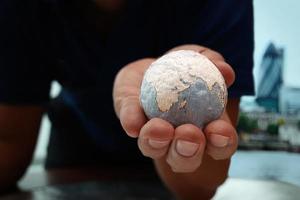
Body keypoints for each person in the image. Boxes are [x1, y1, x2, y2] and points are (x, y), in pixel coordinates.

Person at [0, 0, 254, 199]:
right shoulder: (22, 7)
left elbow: (199, 186)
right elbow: (9, 144)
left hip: (169, 170)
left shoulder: (218, 4)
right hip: (74, 146)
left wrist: (174, 141)